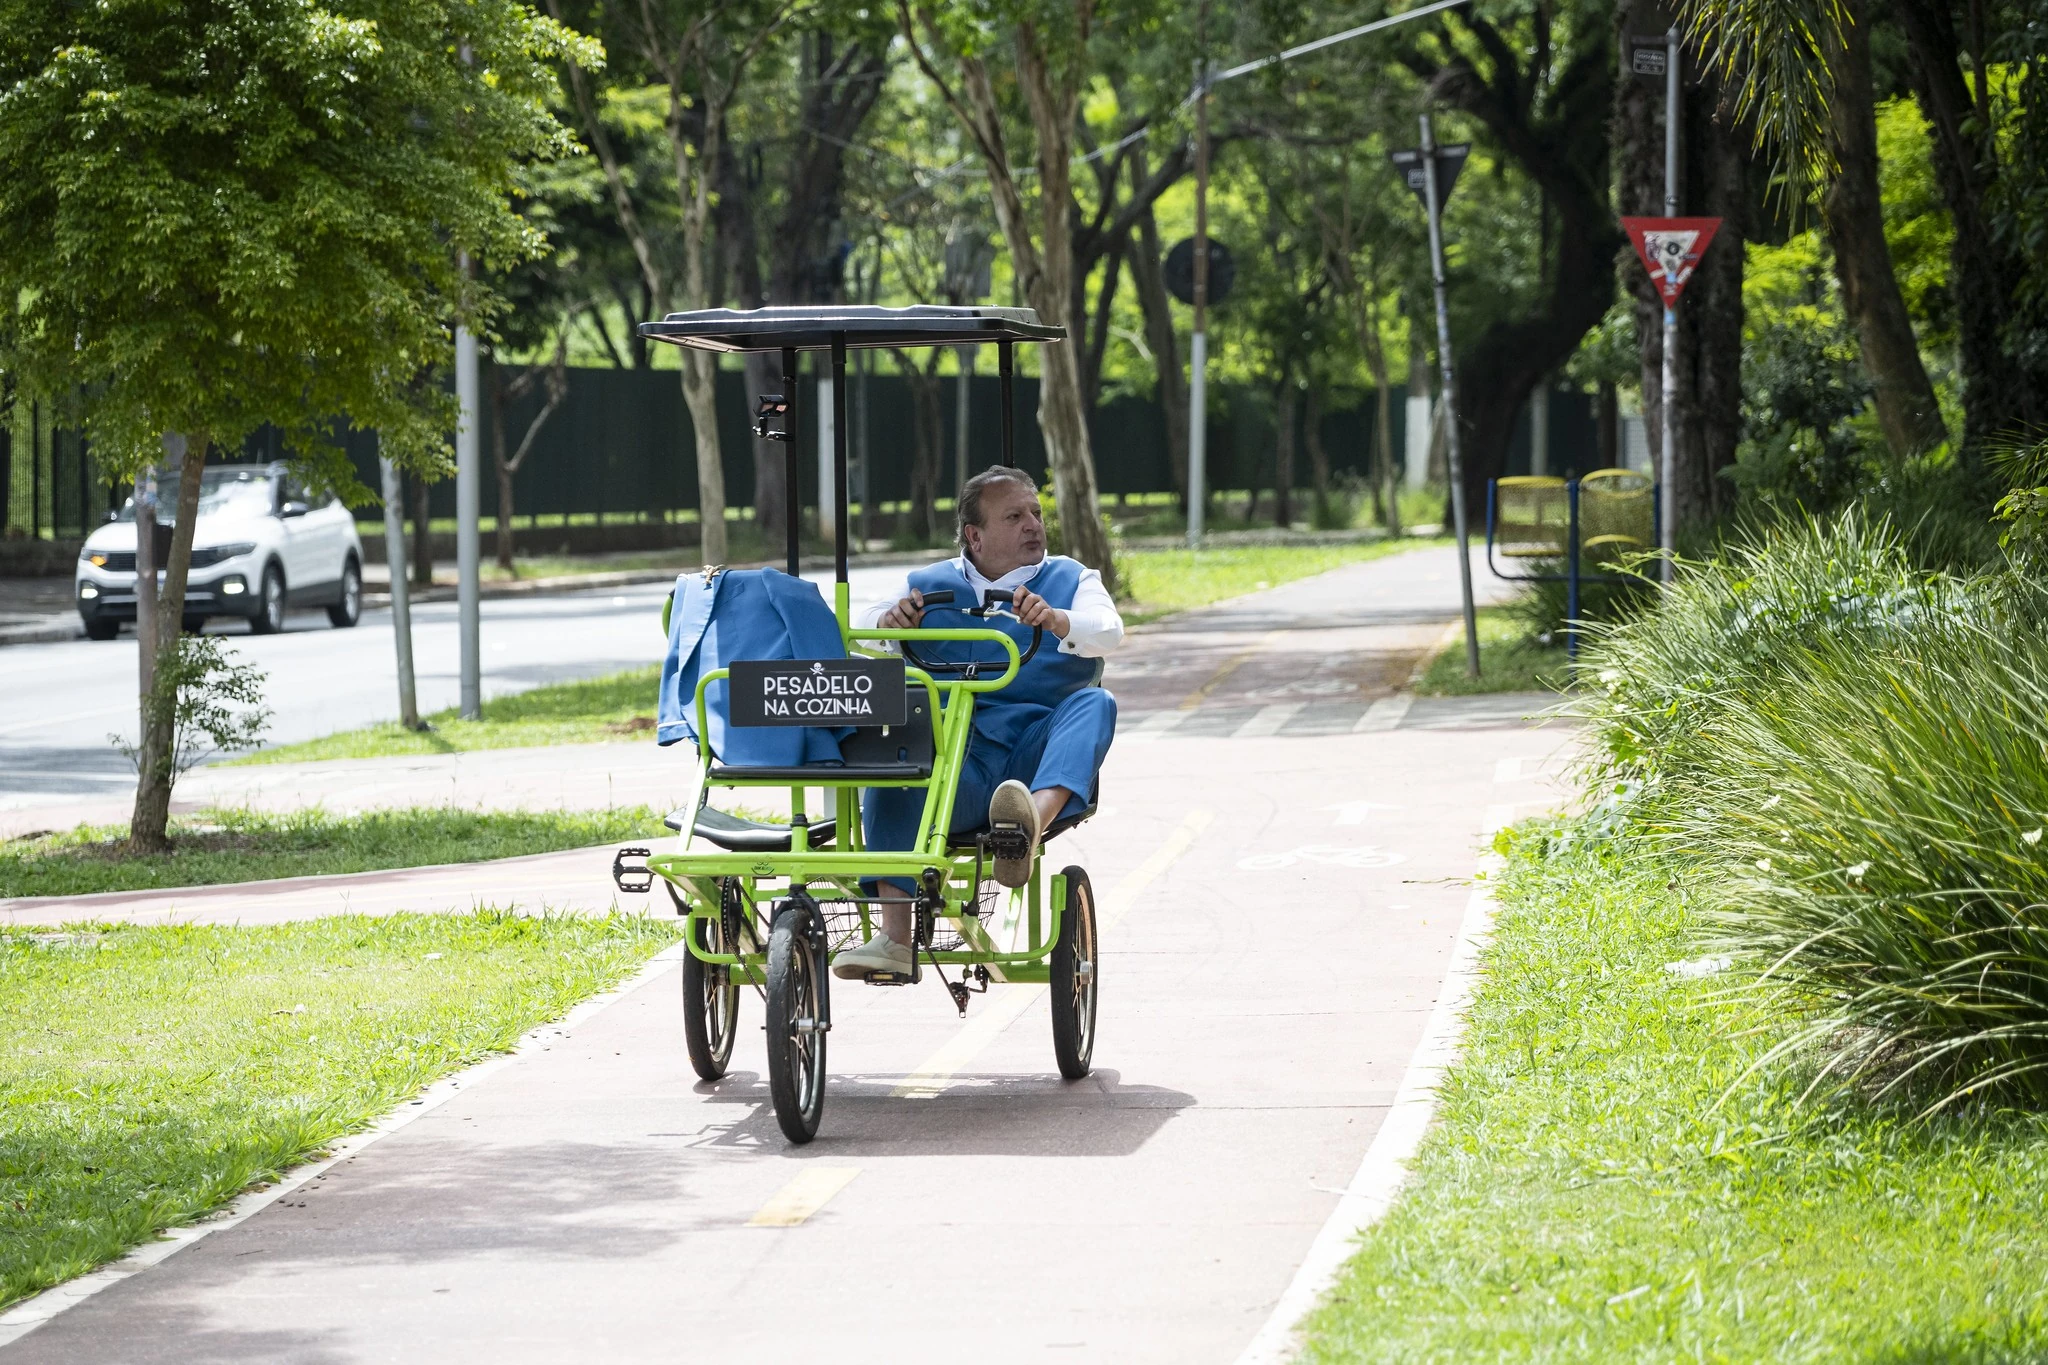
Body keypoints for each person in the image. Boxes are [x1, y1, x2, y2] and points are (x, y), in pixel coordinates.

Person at [833, 465, 1123, 979]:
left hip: (1033, 753)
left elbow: (1108, 631)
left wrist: (1058, 619)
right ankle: (895, 939)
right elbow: (858, 625)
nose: (1034, 524)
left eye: (1036, 513)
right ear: (975, 535)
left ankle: (1027, 826)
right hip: (957, 764)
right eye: (1015, 516)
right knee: (895, 761)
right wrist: (888, 622)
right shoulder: (928, 584)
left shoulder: (1072, 578)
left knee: (1095, 704)